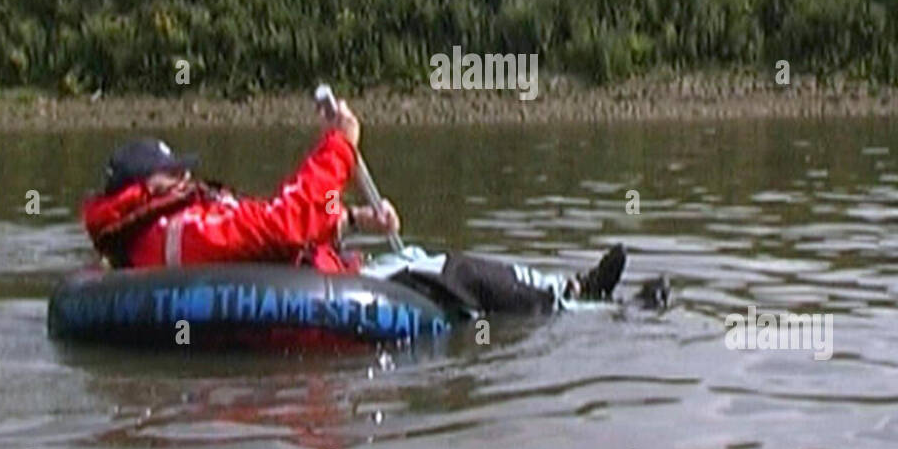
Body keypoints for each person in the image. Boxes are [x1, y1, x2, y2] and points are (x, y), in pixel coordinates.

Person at [80, 98, 626, 317]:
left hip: (327, 274)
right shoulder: (183, 229)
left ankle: (571, 293)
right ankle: (578, 299)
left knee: (420, 257)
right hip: (328, 290)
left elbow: (280, 233)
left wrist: (361, 220)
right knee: (455, 270)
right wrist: (339, 145)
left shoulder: (159, 235)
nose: (188, 178)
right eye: (176, 173)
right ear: (149, 188)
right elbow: (287, 222)